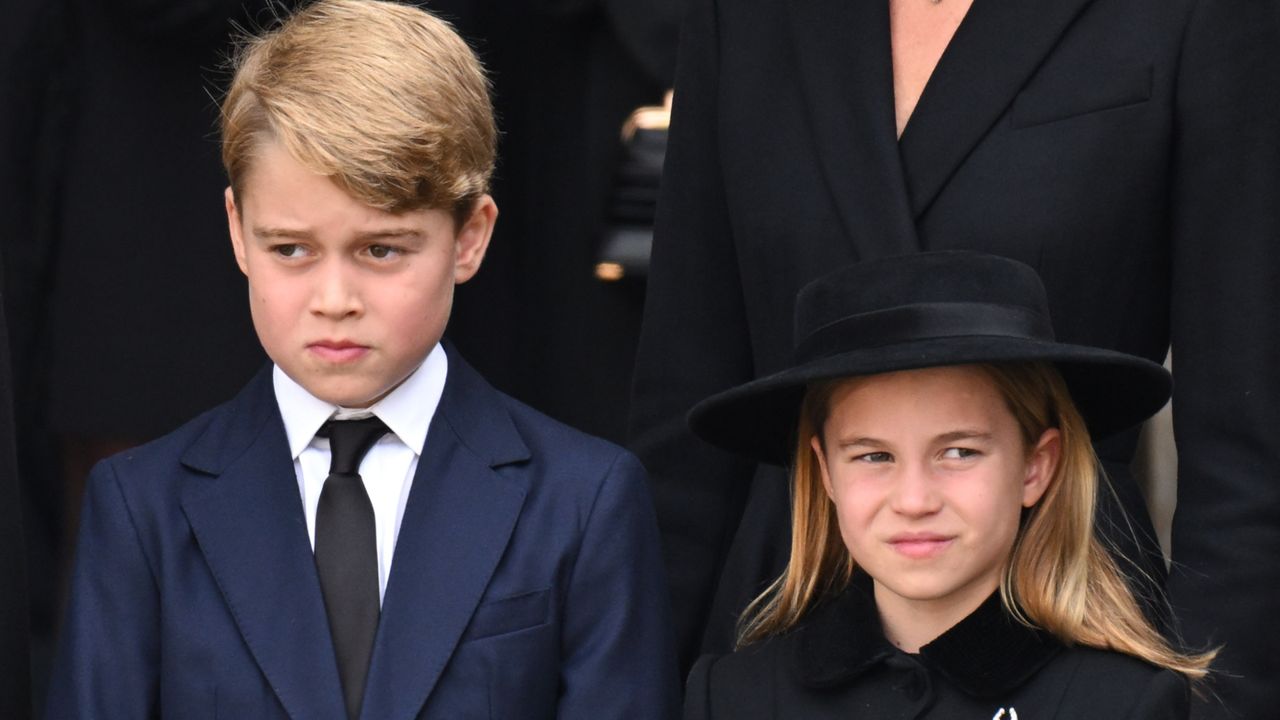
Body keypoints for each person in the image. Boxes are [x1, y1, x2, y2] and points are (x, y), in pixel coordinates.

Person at [628, 0, 1280, 715]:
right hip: (786, 613)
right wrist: (643, 690)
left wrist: (1217, 708)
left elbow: (1244, 444)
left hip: (1071, 617)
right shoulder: (741, 16)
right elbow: (683, 414)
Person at [44, 2, 679, 718]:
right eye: (292, 250)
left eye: (381, 250)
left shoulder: (585, 500)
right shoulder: (140, 508)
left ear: (470, 237)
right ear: (238, 232)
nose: (335, 298)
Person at [682, 251, 1214, 718]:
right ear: (825, 474)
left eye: (958, 452)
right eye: (873, 455)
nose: (915, 500)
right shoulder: (734, 696)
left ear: (1036, 466)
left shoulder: (1121, 705)